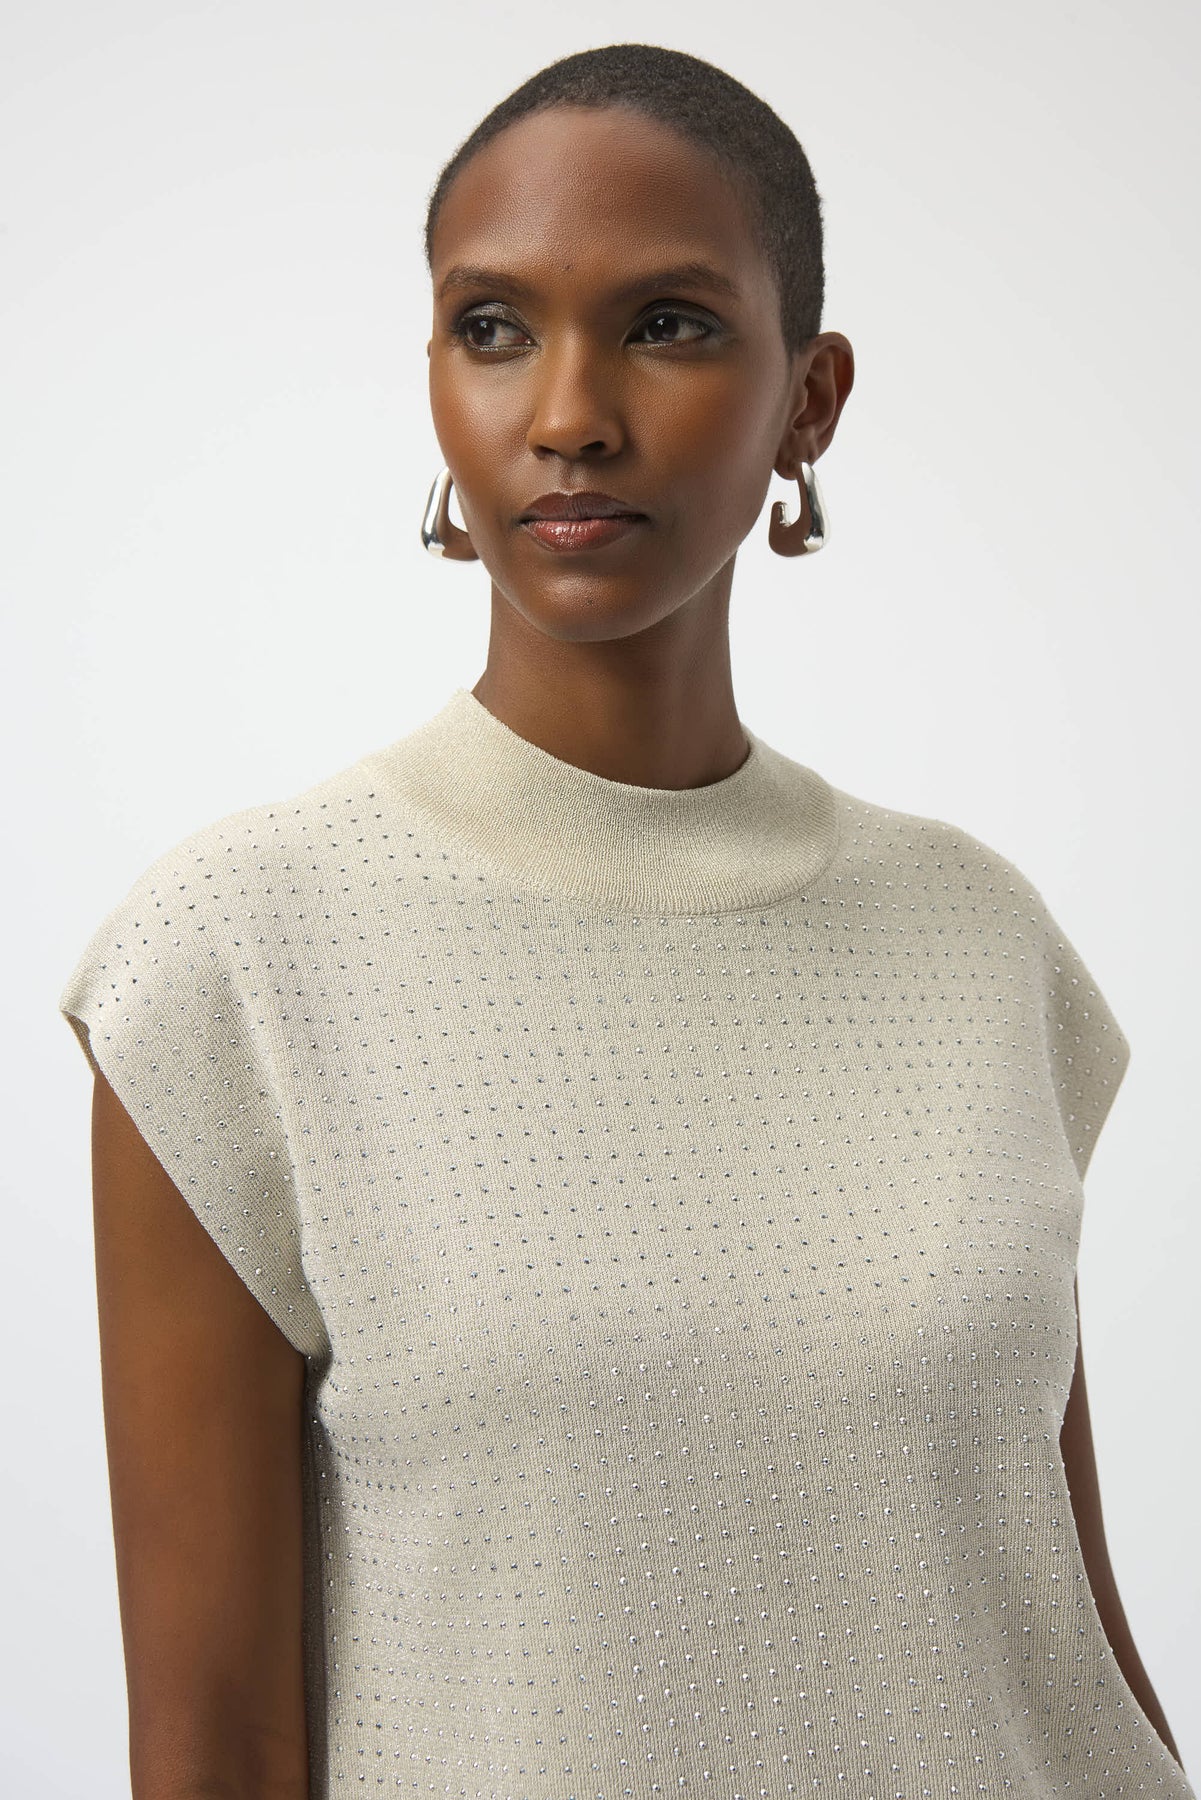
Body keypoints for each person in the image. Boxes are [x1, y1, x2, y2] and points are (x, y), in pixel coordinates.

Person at [59, 41, 1192, 1800]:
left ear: (808, 399)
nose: (569, 412)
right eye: (492, 328)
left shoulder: (979, 943)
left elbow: (1051, 1629)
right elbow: (214, 1738)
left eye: (665, 324)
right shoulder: (236, 961)